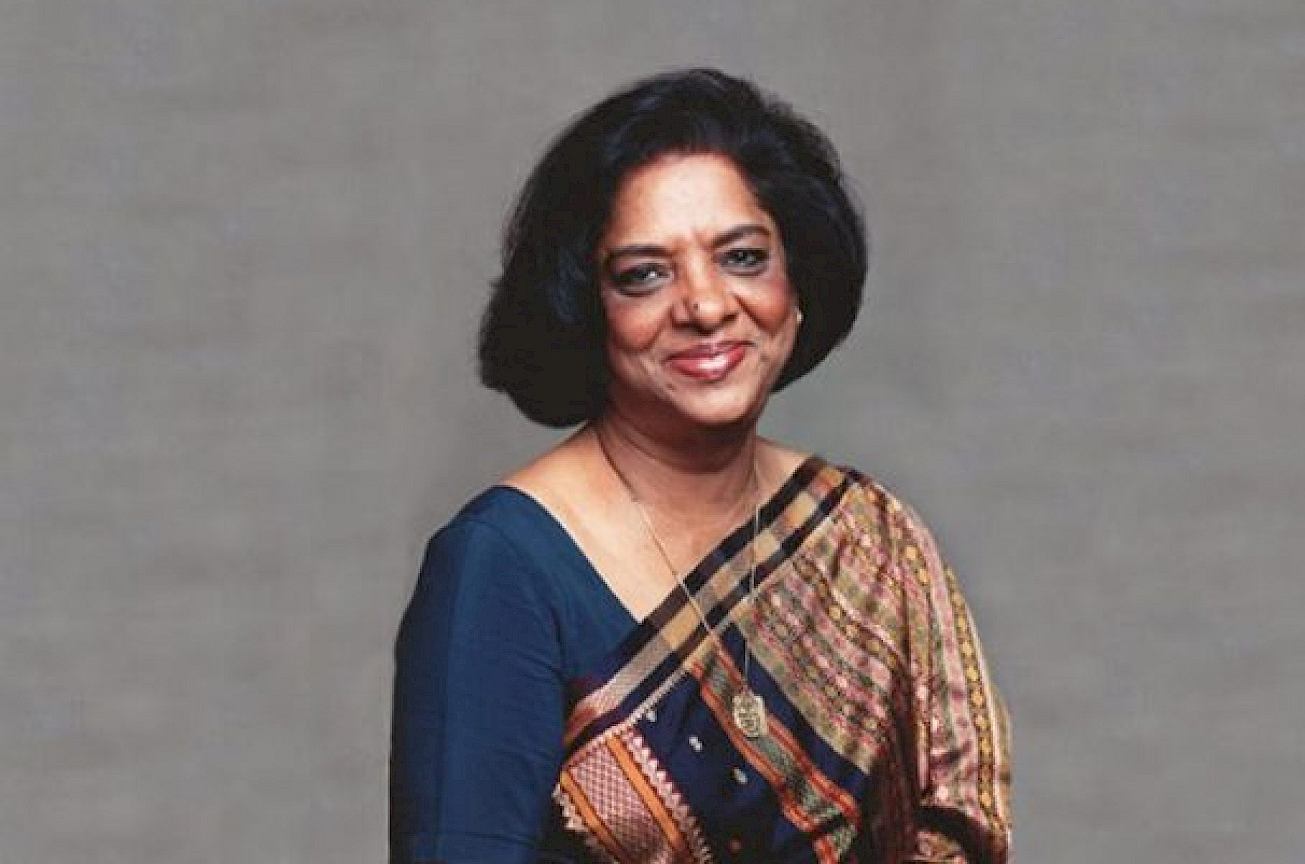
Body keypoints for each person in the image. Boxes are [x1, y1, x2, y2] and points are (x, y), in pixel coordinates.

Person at [390, 68, 1011, 863]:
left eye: (743, 258)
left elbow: (956, 826)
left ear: (798, 284)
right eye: (645, 274)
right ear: (588, 310)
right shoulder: (501, 565)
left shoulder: (869, 539)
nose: (707, 306)